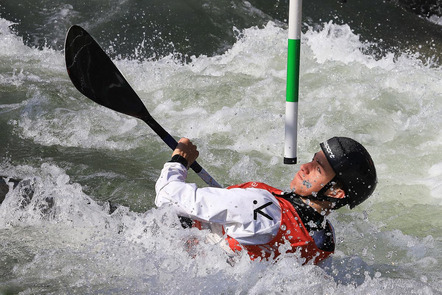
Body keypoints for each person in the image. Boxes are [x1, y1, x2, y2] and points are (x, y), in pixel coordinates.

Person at [155, 136, 377, 265]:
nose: (304, 167)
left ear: (336, 192)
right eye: (311, 160)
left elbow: (166, 195)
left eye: (317, 169)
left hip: (168, 252)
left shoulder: (262, 206)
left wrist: (179, 160)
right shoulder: (324, 237)